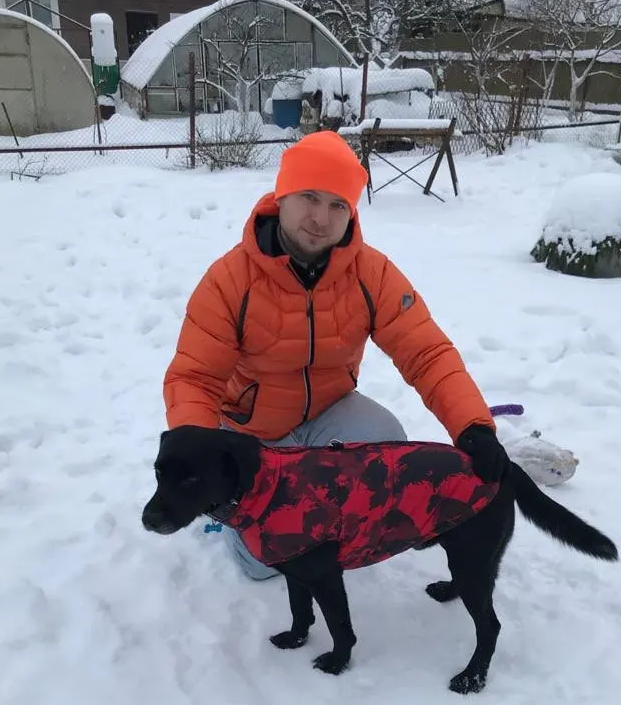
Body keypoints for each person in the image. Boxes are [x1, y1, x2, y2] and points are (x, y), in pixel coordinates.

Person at [161, 129, 507, 580]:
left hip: (330, 411)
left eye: (337, 205)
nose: (320, 219)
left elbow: (426, 351)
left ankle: (336, 526)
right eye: (309, 197)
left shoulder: (371, 273)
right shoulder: (230, 280)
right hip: (254, 432)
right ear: (282, 196)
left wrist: (473, 426)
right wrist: (200, 454)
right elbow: (195, 377)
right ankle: (231, 522)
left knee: (387, 444)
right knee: (264, 564)